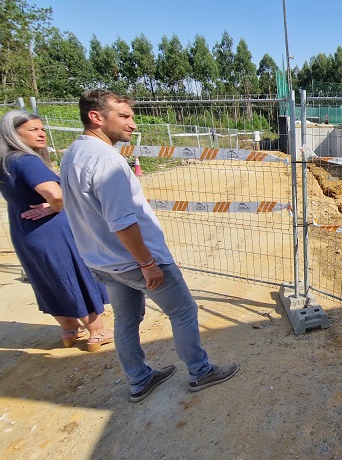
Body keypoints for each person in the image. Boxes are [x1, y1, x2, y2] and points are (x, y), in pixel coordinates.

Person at [59, 89, 238, 402]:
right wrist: (147, 263)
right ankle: (200, 371)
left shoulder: (74, 153)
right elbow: (121, 221)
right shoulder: (107, 162)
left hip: (103, 262)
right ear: (96, 117)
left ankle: (139, 380)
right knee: (183, 311)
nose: (132, 124)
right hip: (134, 262)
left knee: (127, 320)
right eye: (124, 116)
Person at [0, 110, 112, 350]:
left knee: (47, 279)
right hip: (51, 230)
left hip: (23, 230)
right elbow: (55, 195)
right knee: (74, 274)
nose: (41, 133)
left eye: (42, 128)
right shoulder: (26, 160)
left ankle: (69, 329)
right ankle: (97, 332)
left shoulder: (1, 160)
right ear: (14, 133)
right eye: (33, 130)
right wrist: (54, 208)